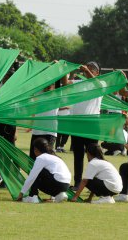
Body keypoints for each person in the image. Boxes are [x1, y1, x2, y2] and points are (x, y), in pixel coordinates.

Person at [62, 61, 102, 190]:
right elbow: (66, 83)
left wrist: (87, 71)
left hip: (92, 123)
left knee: (94, 155)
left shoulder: (101, 83)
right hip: (77, 122)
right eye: (86, 69)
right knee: (78, 154)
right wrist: (66, 70)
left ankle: (95, 183)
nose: (87, 71)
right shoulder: (79, 83)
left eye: (91, 69)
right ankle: (78, 183)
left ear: (97, 73)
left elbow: (96, 83)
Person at [17, 138, 71, 203]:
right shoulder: (54, 157)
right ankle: (58, 195)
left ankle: (33, 197)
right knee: (45, 172)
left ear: (35, 149)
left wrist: (21, 193)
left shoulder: (41, 158)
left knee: (36, 173)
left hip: (57, 184)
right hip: (65, 186)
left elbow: (32, 177)